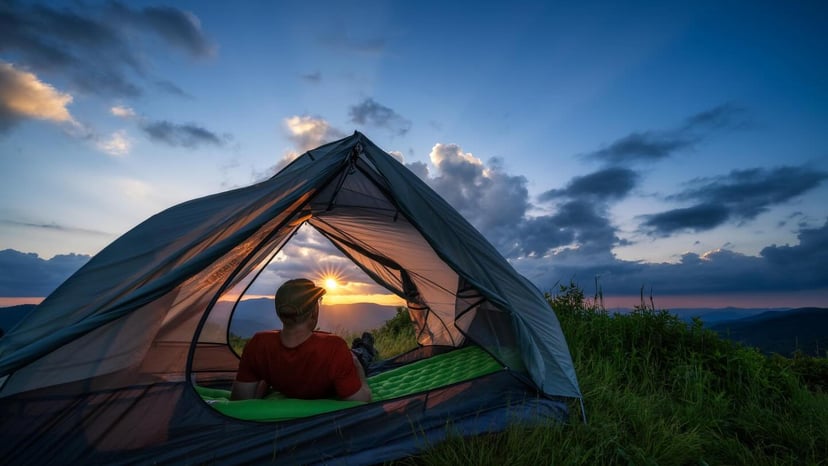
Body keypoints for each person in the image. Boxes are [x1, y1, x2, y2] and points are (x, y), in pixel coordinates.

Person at [230, 278, 373, 402]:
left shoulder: (258, 344)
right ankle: (365, 345)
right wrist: (358, 368)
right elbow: (361, 399)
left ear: (280, 313)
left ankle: (362, 343)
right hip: (348, 360)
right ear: (313, 312)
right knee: (361, 353)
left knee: (358, 349)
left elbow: (240, 399)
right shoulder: (334, 347)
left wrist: (267, 378)